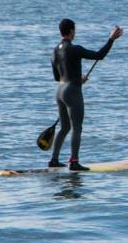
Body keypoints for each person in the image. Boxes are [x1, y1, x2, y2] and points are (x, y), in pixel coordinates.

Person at [50, 19, 124, 170]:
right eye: (74, 30)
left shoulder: (55, 51)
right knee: (77, 127)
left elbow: (58, 77)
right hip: (72, 92)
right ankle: (74, 161)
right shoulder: (74, 49)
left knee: (64, 127)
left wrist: (77, 79)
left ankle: (54, 160)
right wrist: (111, 39)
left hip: (59, 92)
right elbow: (99, 55)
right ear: (71, 31)